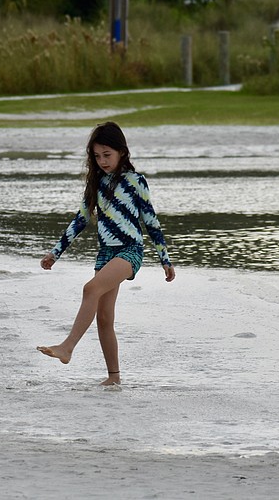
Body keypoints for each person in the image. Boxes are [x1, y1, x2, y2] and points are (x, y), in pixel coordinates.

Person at [36, 121, 176, 386]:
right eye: (97, 156)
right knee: (104, 318)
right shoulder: (97, 183)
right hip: (105, 254)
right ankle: (114, 377)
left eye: (107, 155)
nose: (102, 161)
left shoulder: (136, 182)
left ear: (122, 151)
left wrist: (164, 259)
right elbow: (80, 220)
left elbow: (151, 221)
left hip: (130, 251)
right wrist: (55, 253)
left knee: (90, 289)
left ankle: (67, 347)